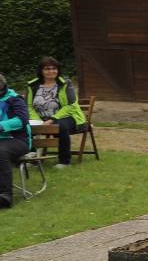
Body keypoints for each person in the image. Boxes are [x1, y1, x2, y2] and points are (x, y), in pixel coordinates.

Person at [26, 57, 86, 169]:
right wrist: (37, 120)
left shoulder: (65, 83)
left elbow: (71, 105)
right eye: (47, 69)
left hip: (67, 116)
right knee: (26, 125)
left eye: (54, 68)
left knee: (60, 126)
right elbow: (29, 106)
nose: (51, 71)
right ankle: (32, 158)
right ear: (41, 71)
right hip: (41, 118)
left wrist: (52, 119)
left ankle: (64, 161)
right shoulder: (32, 85)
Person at [0, 74, 32, 208]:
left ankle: (5, 195)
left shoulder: (15, 99)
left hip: (18, 140)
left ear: (2, 85)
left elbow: (22, 120)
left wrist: (2, 126)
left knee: (0, 152)